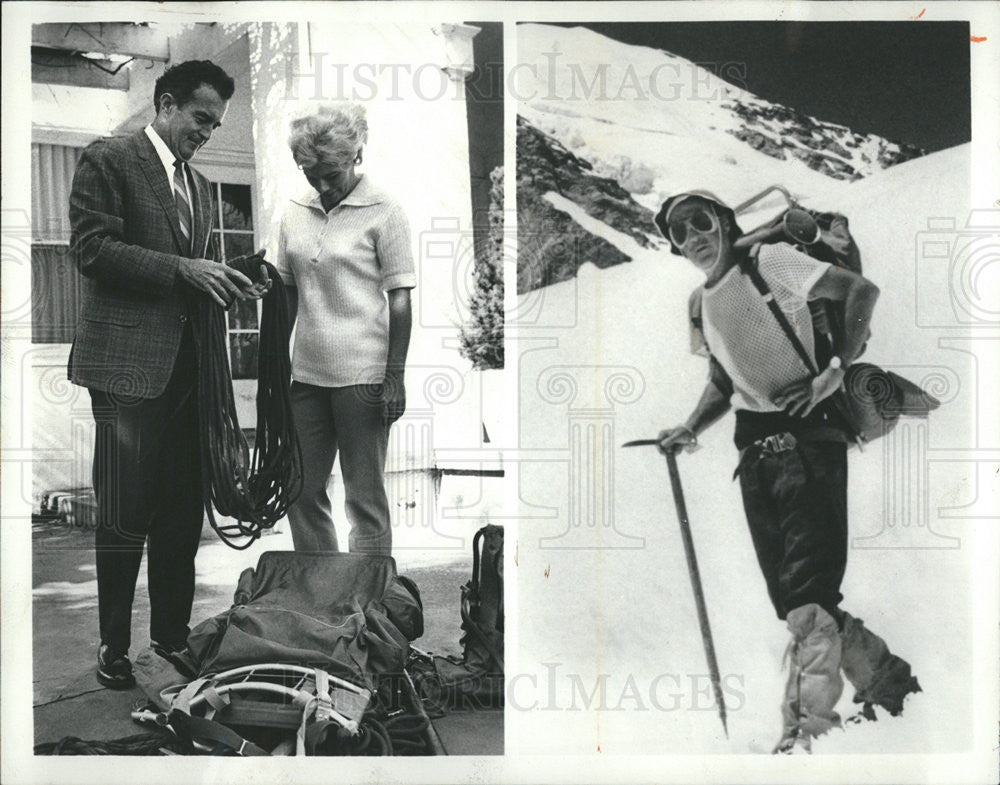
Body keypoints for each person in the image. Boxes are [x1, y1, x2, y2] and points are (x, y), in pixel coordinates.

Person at [654, 191, 920, 753]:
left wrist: (833, 371)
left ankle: (808, 737)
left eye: (702, 222)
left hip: (809, 442)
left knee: (806, 598)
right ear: (675, 246)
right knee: (798, 600)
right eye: (681, 232)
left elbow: (858, 292)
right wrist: (690, 427)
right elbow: (725, 382)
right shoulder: (699, 302)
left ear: (726, 223)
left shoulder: (768, 262)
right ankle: (888, 680)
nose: (695, 236)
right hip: (754, 455)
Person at [68, 60, 270, 689]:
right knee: (126, 510)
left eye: (215, 124)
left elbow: (194, 272)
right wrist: (186, 270)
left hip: (190, 373)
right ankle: (112, 647)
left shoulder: (203, 186)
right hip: (128, 369)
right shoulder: (111, 159)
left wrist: (231, 279)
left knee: (182, 510)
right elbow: (93, 249)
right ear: (165, 103)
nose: (207, 132)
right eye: (200, 118)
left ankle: (172, 637)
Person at [273, 101, 415, 557]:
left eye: (331, 174)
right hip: (306, 376)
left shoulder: (384, 210)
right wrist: (275, 361)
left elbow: (401, 298)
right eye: (311, 175)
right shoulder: (295, 210)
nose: (322, 185)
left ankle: (368, 605)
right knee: (300, 490)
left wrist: (394, 375)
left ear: (357, 156)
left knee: (364, 498)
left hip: (363, 377)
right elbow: (287, 290)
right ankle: (321, 592)